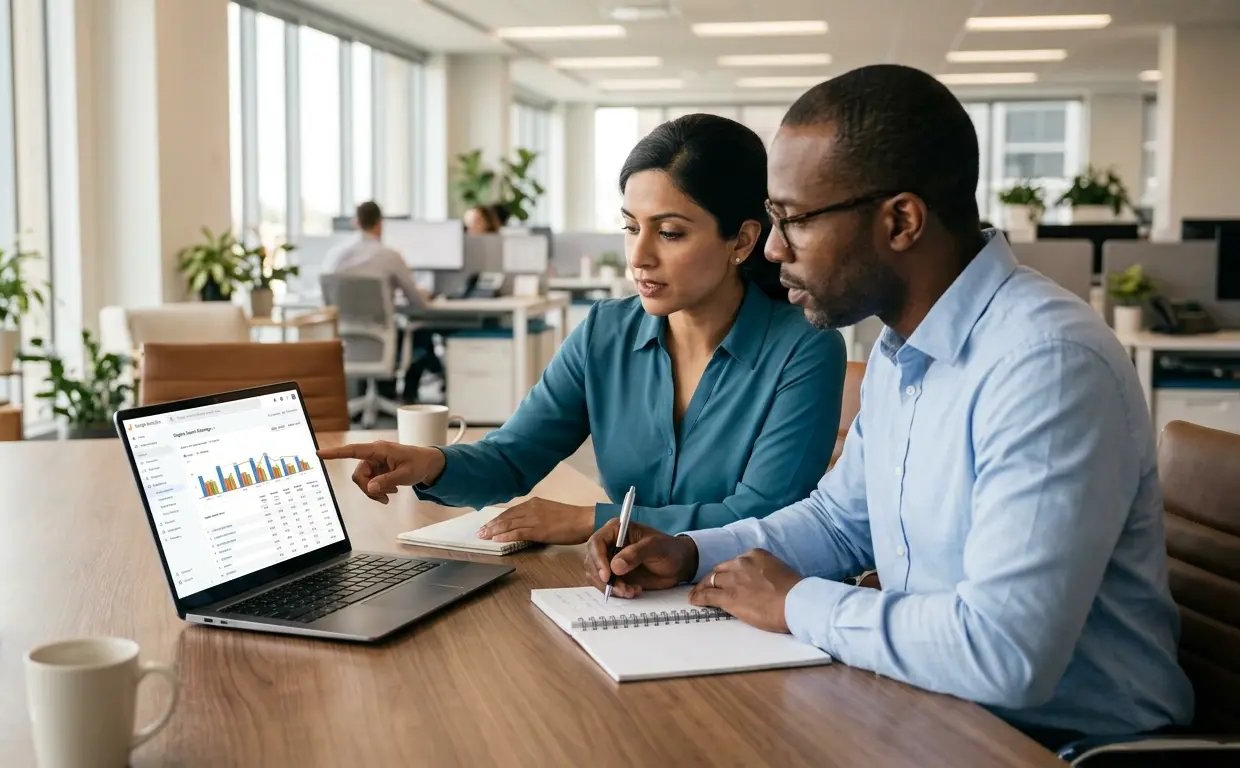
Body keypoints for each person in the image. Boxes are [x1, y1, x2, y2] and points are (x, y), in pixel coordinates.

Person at [586, 65, 1193, 747]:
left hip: (1061, 746)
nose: (776, 248)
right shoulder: (903, 349)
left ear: (900, 220)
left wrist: (795, 602)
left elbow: (1004, 654)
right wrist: (692, 552)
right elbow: (841, 524)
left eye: (793, 220)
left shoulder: (1046, 365)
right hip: (932, 713)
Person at [319, 114, 846, 545]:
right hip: (619, 596)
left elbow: (764, 518)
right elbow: (513, 455)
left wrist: (594, 522)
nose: (639, 256)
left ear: (742, 240)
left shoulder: (805, 349)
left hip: (742, 607)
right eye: (630, 227)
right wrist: (429, 464)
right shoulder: (604, 334)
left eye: (669, 232)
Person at [323, 201, 438, 402]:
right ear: (380, 224)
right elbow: (417, 301)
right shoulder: (389, 256)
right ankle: (408, 399)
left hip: (346, 343)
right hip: (383, 341)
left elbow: (327, 304)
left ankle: (376, 398)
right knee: (423, 333)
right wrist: (425, 295)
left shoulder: (334, 256)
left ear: (355, 222)